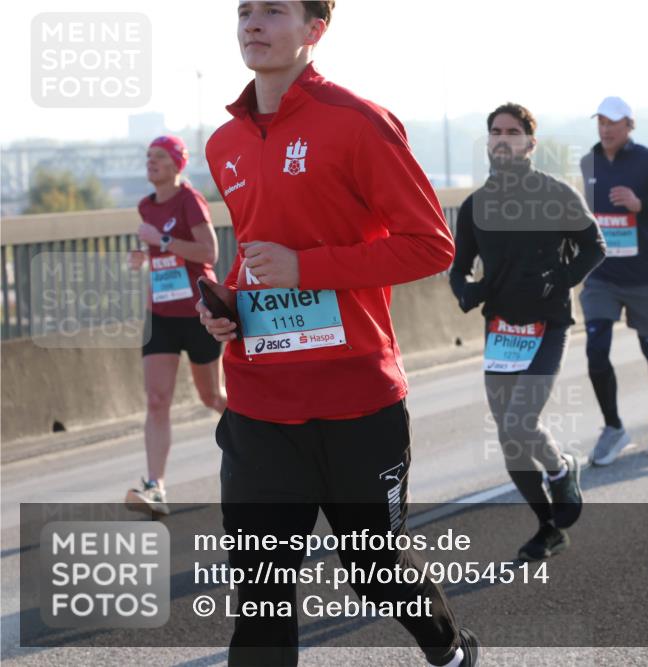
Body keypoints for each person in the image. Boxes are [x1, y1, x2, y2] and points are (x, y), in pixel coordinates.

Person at [198, 2, 477, 665]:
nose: (253, 24)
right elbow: (260, 251)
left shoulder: (358, 123)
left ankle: (447, 647)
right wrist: (231, 304)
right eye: (245, 11)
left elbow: (432, 245)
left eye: (274, 10)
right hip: (260, 403)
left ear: (316, 29)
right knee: (262, 593)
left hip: (357, 401)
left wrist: (309, 269)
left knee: (372, 563)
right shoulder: (224, 143)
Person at [450, 103, 606, 561]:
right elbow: (458, 268)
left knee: (521, 421)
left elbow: (593, 248)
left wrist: (558, 279)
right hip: (500, 329)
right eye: (495, 131)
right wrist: (466, 291)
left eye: (513, 132)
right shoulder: (477, 205)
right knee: (509, 439)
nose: (503, 138)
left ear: (530, 143)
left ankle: (561, 469)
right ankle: (547, 528)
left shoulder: (555, 194)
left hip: (548, 325)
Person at [579, 96, 648, 466]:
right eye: (601, 122)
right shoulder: (588, 162)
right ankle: (613, 428)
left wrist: (640, 205)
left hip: (643, 276)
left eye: (613, 122)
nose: (605, 128)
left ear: (629, 125)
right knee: (595, 350)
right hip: (601, 276)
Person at [124, 134, 226, 516]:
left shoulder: (190, 200)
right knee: (156, 400)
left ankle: (264, 441)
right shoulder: (145, 206)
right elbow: (159, 252)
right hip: (161, 314)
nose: (151, 162)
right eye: (148, 156)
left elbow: (209, 252)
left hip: (198, 311)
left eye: (159, 157)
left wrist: (163, 239)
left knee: (212, 397)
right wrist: (143, 255)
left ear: (177, 164)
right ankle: (156, 487)